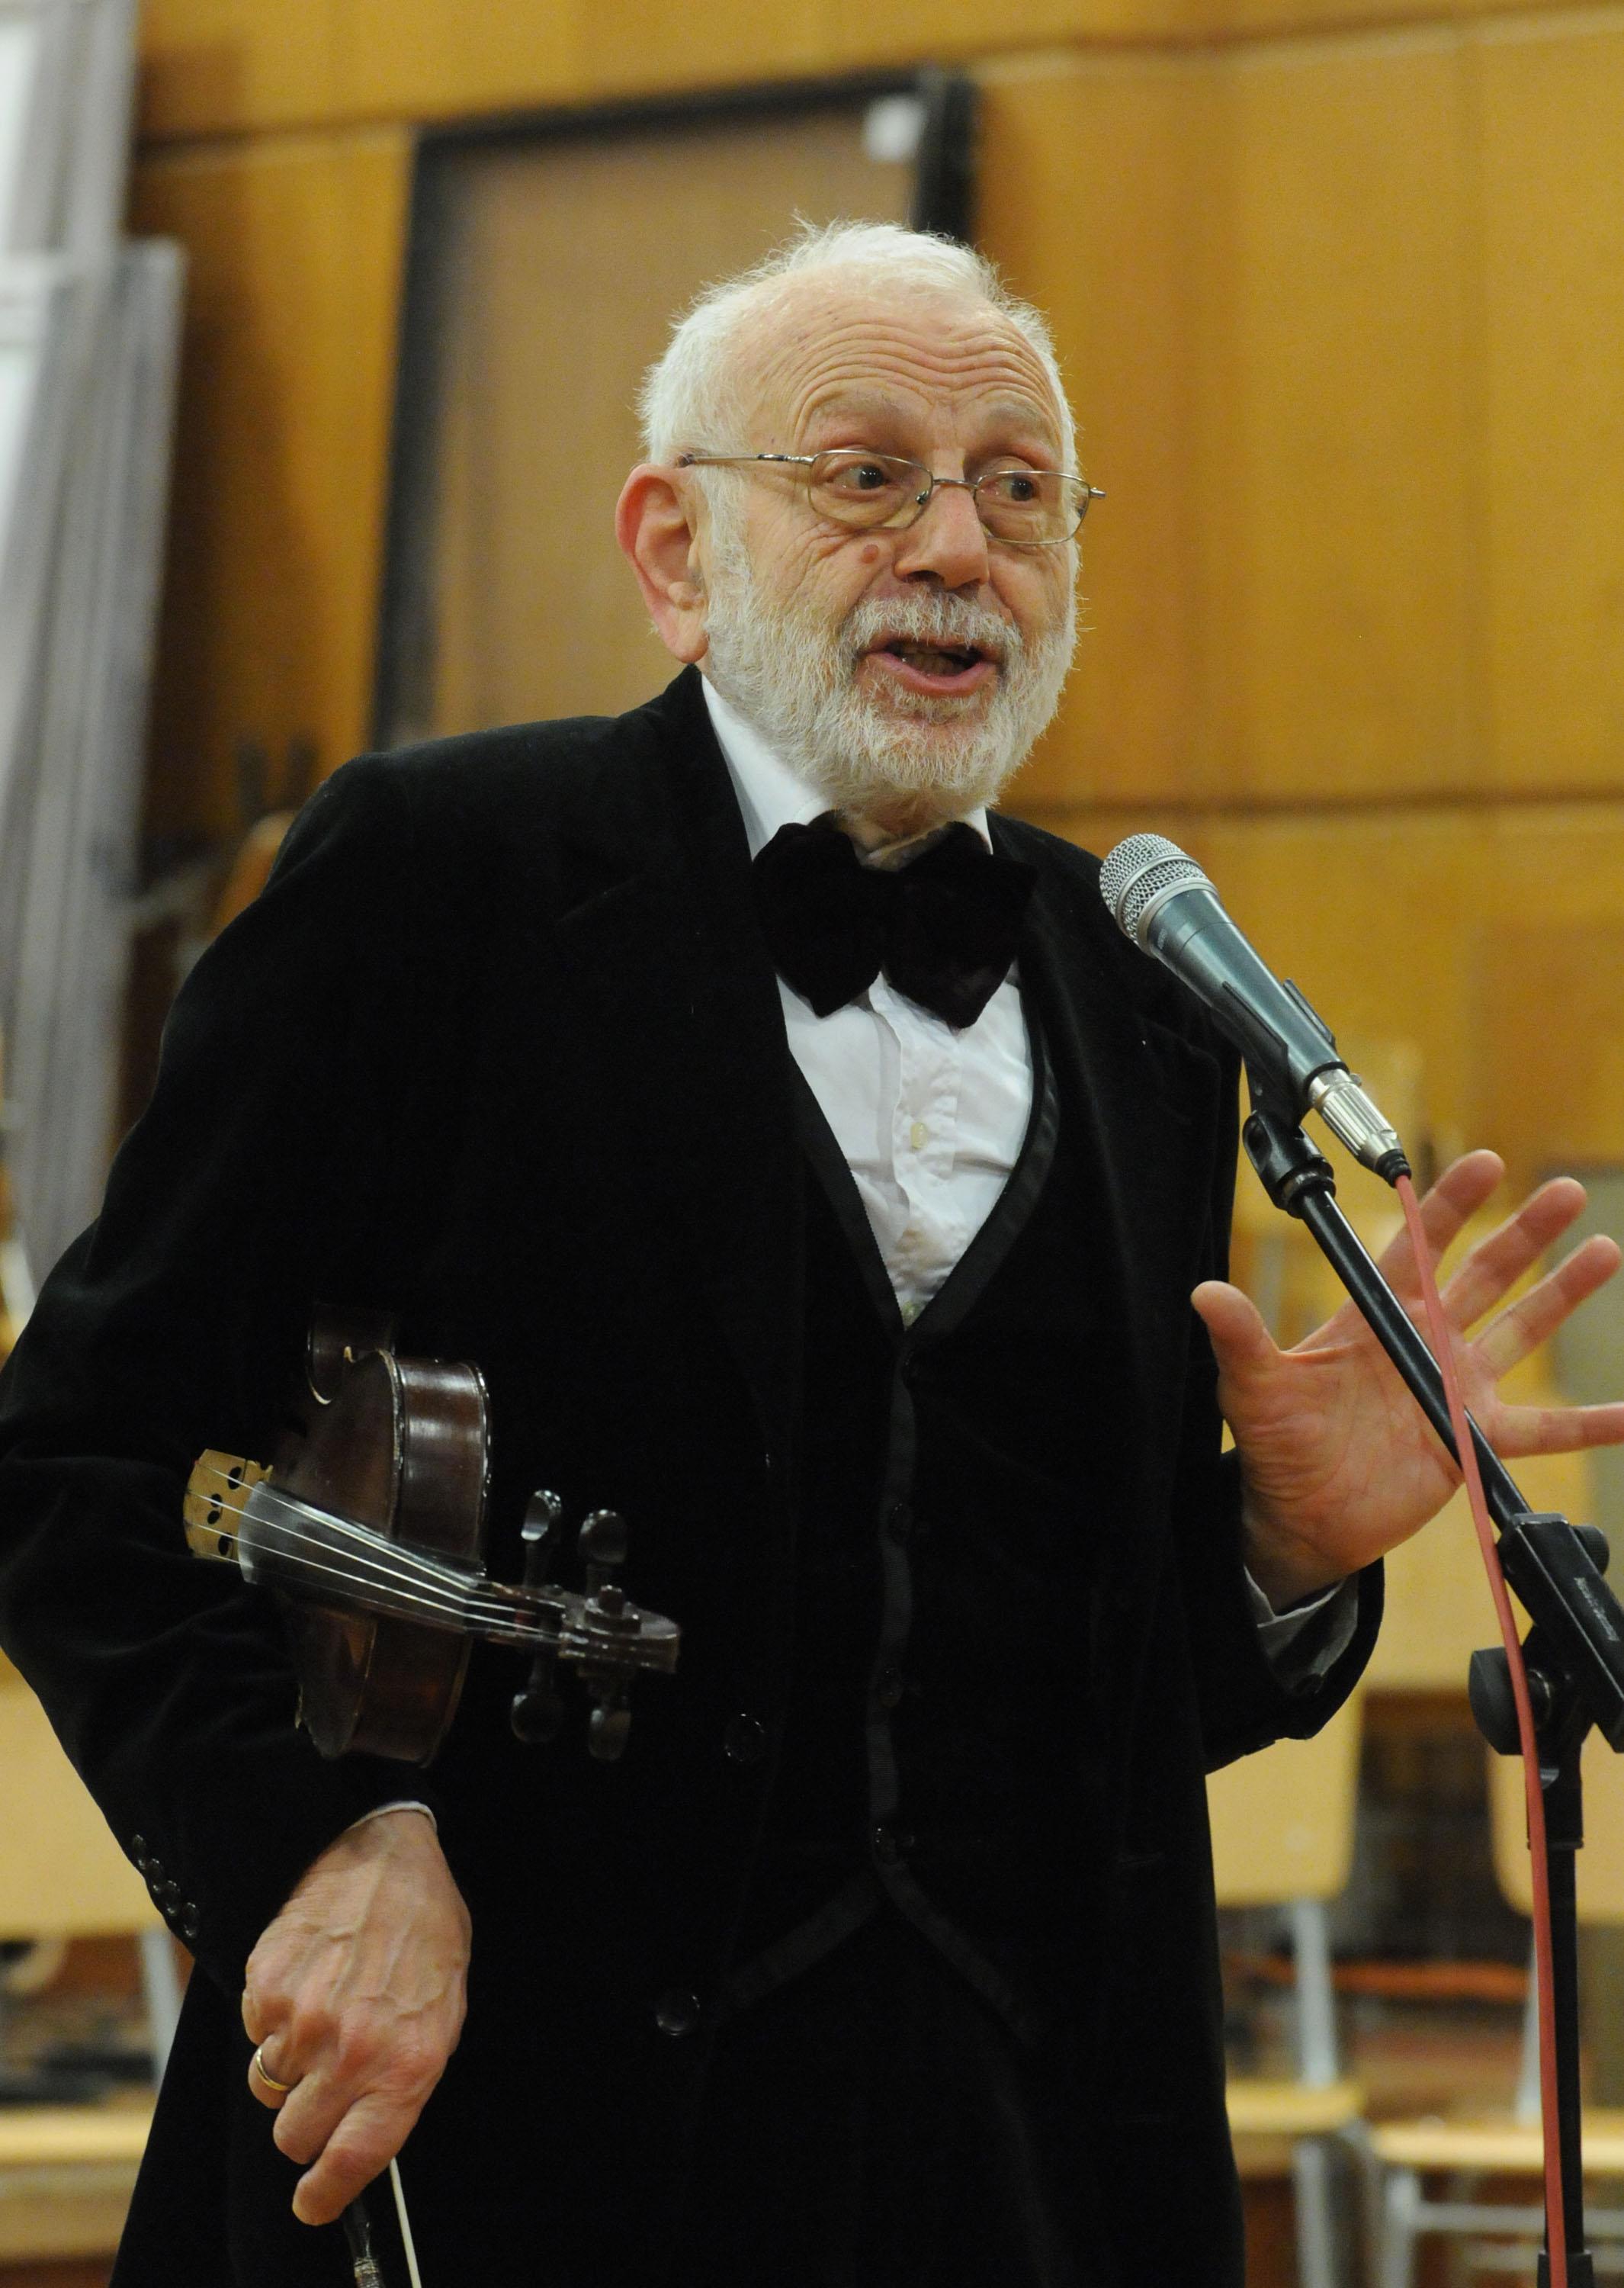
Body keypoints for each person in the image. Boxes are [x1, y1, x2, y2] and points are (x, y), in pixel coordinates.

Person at [1, 221, 1620, 2288]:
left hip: (1025, 2159)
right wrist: (321, 1847)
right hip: (515, 2129)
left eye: (1019, 491)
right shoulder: (437, 882)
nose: (956, 546)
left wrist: (1272, 1558)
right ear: (675, 552)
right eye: (867, 477)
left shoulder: (1137, 988)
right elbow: (76, 1463)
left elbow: (1036, 1698)